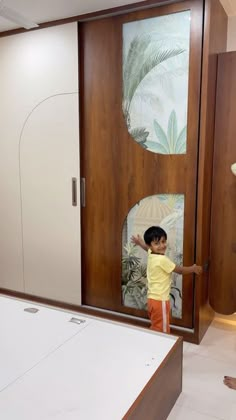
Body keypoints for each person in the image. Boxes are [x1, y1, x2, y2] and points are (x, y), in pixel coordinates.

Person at [131, 226, 202, 334]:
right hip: (160, 301)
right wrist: (193, 268)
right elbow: (180, 270)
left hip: (152, 300)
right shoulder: (162, 259)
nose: (161, 246)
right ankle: (159, 348)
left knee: (156, 324)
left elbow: (147, 249)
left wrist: (140, 243)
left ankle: (152, 342)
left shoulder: (152, 254)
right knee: (161, 331)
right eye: (157, 243)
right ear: (151, 245)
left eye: (163, 241)